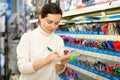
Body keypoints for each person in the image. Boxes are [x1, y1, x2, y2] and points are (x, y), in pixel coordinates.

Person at [16, 3, 70, 80]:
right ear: (40, 17)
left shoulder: (58, 40)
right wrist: (46, 60)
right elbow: (22, 69)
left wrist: (62, 63)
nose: (53, 27)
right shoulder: (27, 37)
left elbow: (58, 71)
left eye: (56, 23)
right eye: (49, 22)